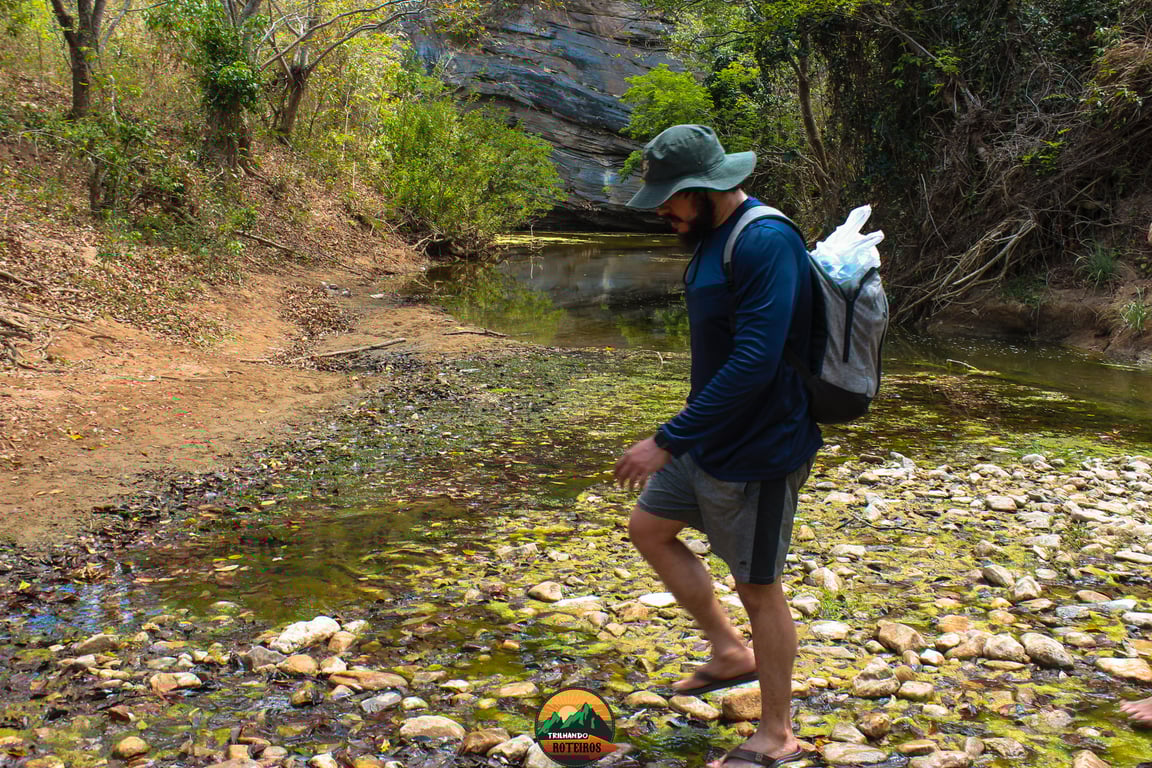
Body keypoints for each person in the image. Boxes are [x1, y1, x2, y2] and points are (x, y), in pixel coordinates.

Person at [613, 124, 822, 768]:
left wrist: (666, 439)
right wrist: (686, 436)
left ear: (705, 188)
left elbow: (756, 360)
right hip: (708, 437)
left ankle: (777, 733)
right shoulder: (710, 238)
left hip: (760, 447)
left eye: (670, 199)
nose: (662, 212)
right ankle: (730, 652)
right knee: (649, 528)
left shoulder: (765, 241)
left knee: (759, 587)